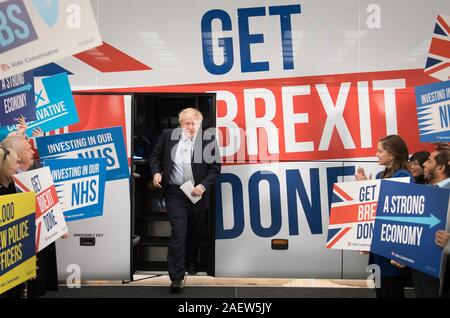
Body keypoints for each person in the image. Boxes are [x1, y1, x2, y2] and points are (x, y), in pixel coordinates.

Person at [150, 107, 221, 292]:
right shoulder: (169, 135)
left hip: (197, 193)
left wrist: (203, 186)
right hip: (175, 192)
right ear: (181, 124)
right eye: (187, 123)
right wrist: (156, 172)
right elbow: (155, 157)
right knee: (179, 231)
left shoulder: (208, 139)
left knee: (195, 230)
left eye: (194, 123)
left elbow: (215, 167)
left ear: (200, 124)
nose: (191, 127)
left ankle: (190, 260)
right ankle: (176, 277)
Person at [1, 133, 61, 298]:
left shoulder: (39, 170)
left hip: (37, 247)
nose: (32, 151)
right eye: (28, 148)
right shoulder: (9, 187)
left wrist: (59, 226)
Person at [355, 134, 412, 298]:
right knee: (381, 293)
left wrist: (367, 187)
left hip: (393, 252)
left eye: (380, 151)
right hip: (378, 251)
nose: (376, 154)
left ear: (392, 154)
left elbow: (394, 211)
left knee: (391, 292)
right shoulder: (380, 175)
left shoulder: (403, 176)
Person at [410, 144, 450, 297]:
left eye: (429, 161)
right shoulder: (425, 192)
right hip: (420, 271)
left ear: (440, 168)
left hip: (442, 276)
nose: (424, 164)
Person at [0, 147, 26, 298]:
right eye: (16, 163)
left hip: (15, 265)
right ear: (5, 167)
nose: (19, 166)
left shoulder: (14, 187)